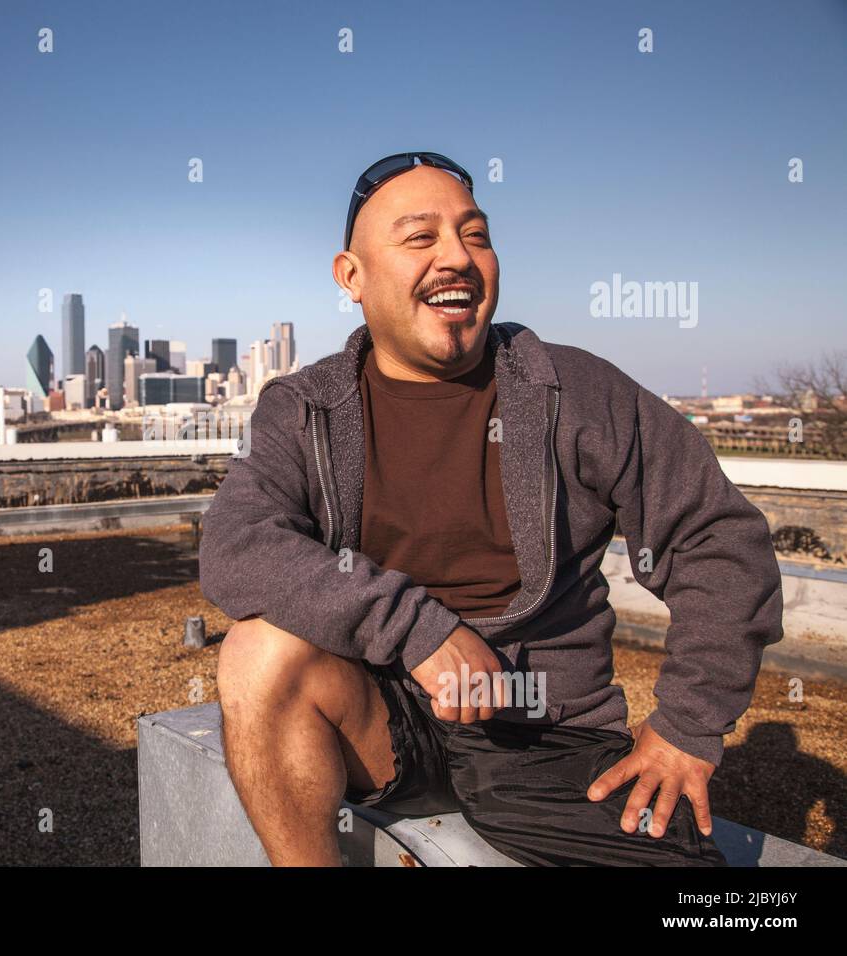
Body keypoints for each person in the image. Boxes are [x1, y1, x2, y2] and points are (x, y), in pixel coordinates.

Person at [198, 152, 783, 866]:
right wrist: (416, 630)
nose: (457, 258)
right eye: (421, 239)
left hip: (547, 734)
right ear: (351, 276)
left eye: (475, 235)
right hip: (383, 715)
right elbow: (237, 543)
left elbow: (717, 538)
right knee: (257, 654)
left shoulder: (574, 392)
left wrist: (689, 725)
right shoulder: (305, 408)